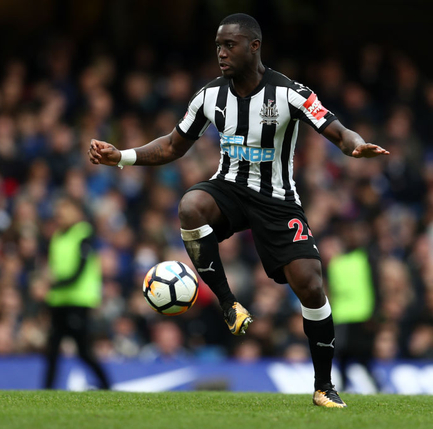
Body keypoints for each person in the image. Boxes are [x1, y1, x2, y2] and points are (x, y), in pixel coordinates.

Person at [88, 13, 388, 407]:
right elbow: (172, 146)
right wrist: (122, 157)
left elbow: (334, 128)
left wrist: (354, 145)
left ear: (254, 46)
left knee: (311, 284)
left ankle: (323, 386)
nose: (221, 53)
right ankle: (228, 303)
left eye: (229, 45)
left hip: (277, 200)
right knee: (191, 205)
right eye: (218, 46)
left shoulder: (289, 93)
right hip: (229, 188)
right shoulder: (210, 96)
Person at [44, 196, 111, 390]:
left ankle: (106, 385)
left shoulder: (84, 233)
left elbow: (78, 271)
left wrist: (54, 283)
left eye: (64, 209)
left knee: (83, 351)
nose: (60, 214)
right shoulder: (57, 236)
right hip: (58, 301)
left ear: (77, 211)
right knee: (52, 349)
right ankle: (46, 390)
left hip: (79, 301)